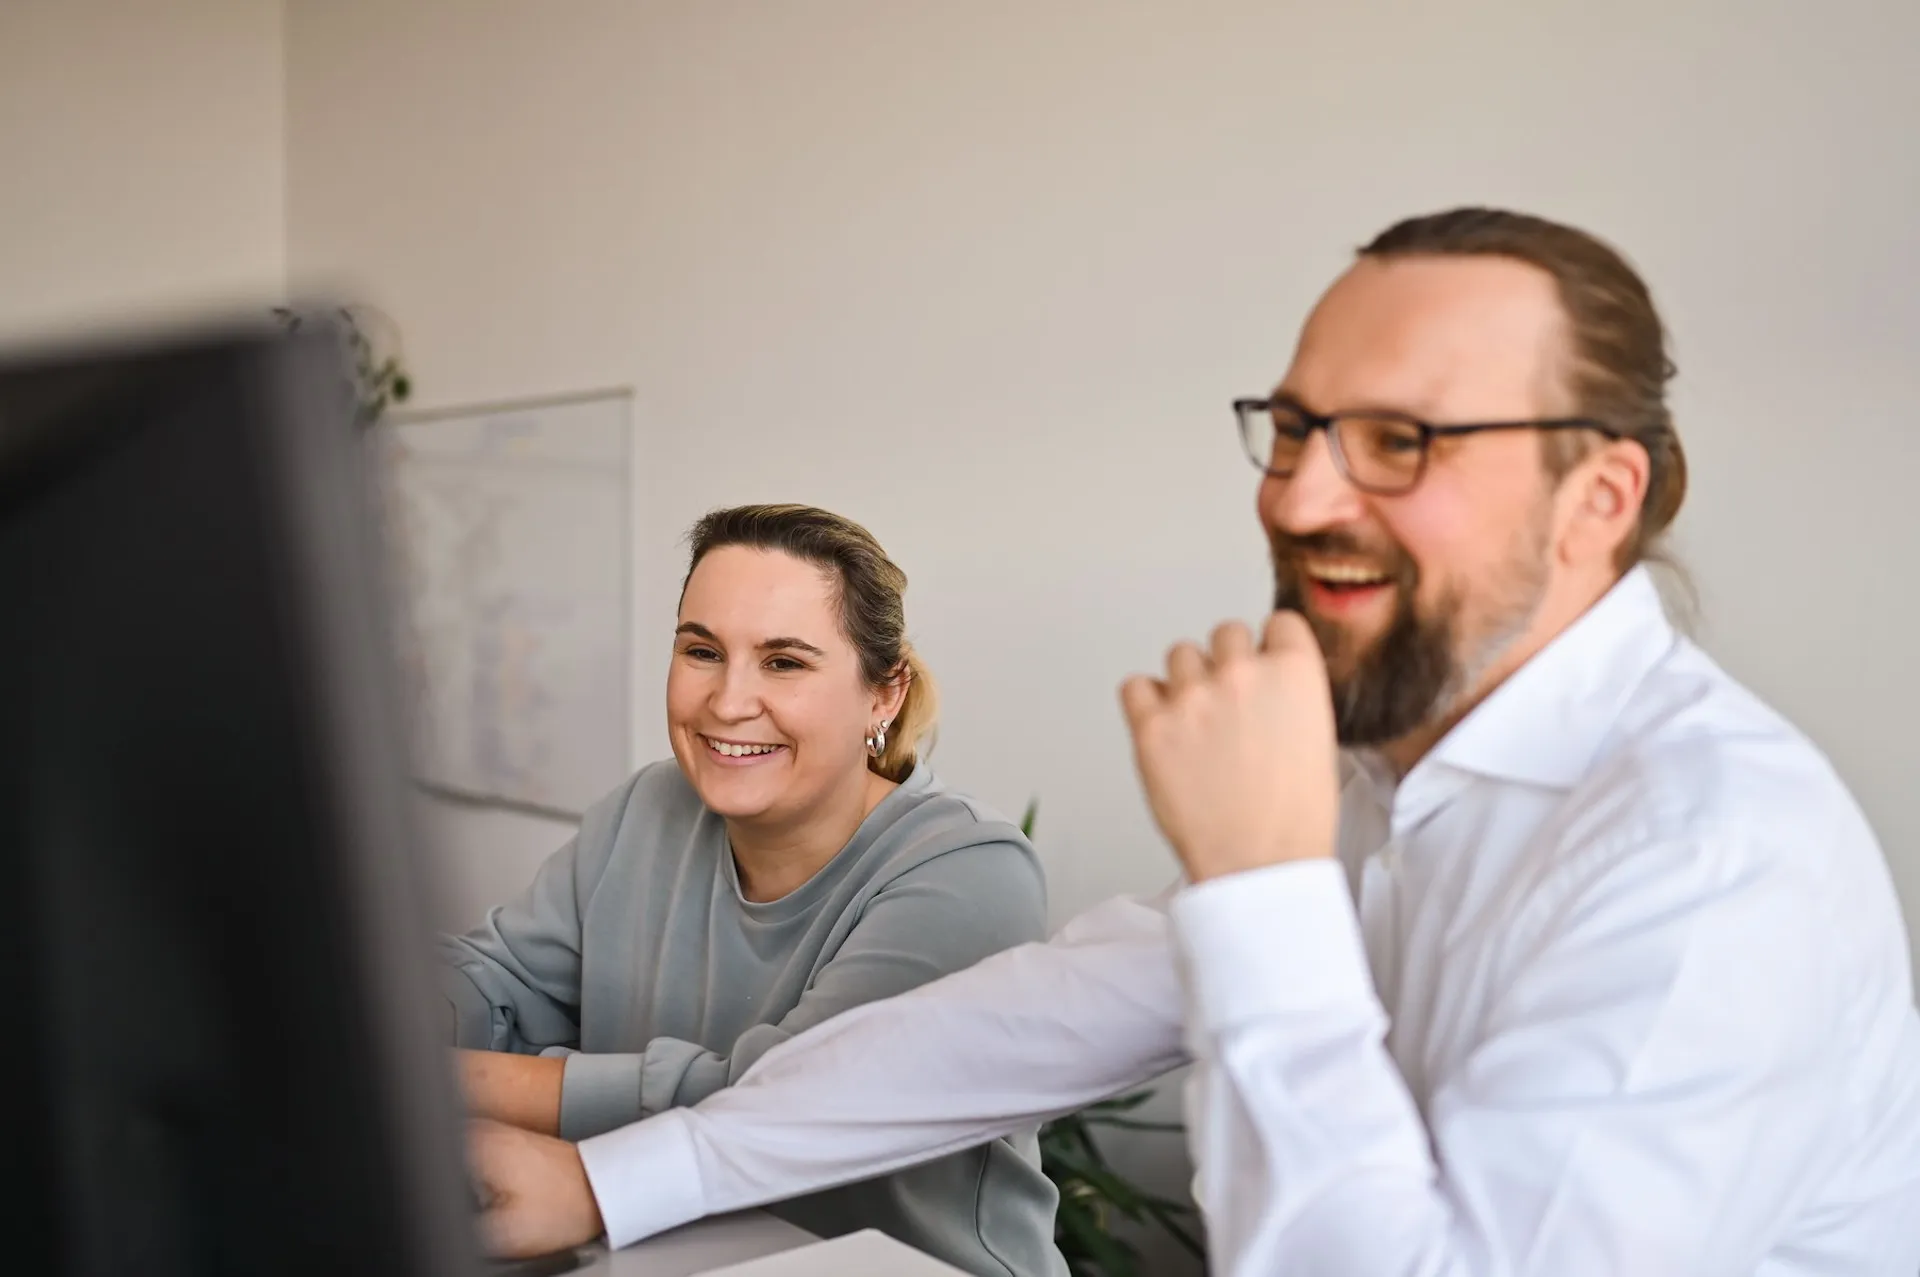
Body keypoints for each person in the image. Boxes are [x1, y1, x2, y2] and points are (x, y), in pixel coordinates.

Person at [470, 211, 1920, 1275]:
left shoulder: (1714, 863)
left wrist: (1258, 888)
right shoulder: (1389, 777)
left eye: (1400, 440)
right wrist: (609, 1185)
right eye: (1292, 431)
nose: (1297, 499)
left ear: (1599, 497)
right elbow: (1024, 1023)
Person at [445, 503, 1065, 1277]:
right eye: (702, 650)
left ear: (885, 694)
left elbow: (784, 1101)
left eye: (784, 662)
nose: (728, 701)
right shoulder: (646, 809)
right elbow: (500, 980)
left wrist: (461, 1080)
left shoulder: (970, 868)